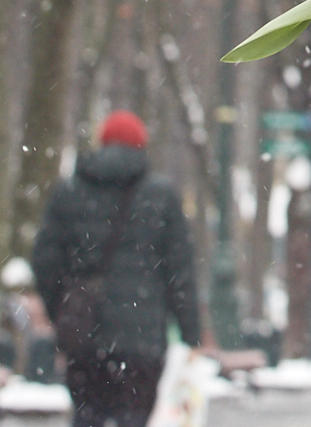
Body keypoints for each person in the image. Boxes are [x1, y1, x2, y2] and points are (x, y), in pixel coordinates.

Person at [29, 111, 201, 427]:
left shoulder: (70, 191)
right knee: (133, 417)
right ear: (141, 146)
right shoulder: (162, 196)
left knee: (87, 416)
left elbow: (45, 261)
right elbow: (180, 272)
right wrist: (191, 333)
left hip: (85, 337)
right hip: (142, 340)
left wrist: (63, 310)